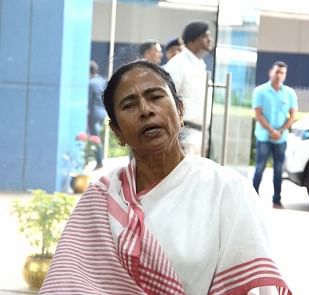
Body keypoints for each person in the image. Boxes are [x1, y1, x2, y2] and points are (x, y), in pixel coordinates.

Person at [40, 60, 292, 295]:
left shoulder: (227, 189)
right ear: (117, 132)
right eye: (129, 105)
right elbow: (68, 284)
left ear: (180, 111)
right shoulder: (101, 199)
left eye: (156, 97)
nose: (146, 110)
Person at [252, 61, 298, 209]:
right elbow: (258, 114)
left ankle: (276, 200)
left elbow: (292, 115)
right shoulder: (260, 91)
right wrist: (272, 131)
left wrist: (281, 131)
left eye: (282, 73)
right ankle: (253, 198)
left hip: (281, 138)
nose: (279, 75)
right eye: (277, 72)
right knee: (260, 167)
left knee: (278, 170)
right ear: (271, 72)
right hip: (264, 137)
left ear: (285, 75)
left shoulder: (289, 93)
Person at [164, 21, 212, 155]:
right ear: (192, 40)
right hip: (184, 134)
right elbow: (167, 100)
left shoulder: (200, 65)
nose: (210, 39)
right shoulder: (178, 64)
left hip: (201, 134)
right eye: (205, 36)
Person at [88, 60, 107, 169]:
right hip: (102, 113)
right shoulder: (102, 81)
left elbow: (89, 101)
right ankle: (100, 158)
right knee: (98, 137)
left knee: (95, 138)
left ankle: (99, 161)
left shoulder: (90, 83)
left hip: (93, 114)